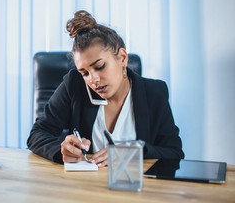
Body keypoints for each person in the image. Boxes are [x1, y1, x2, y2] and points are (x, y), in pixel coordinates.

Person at [27, 10, 184, 167]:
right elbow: (36, 134)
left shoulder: (154, 93)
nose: (93, 79)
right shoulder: (74, 85)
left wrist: (135, 151)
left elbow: (174, 152)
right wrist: (62, 150)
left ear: (122, 58)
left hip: (135, 187)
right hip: (85, 187)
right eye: (85, 73)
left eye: (100, 67)